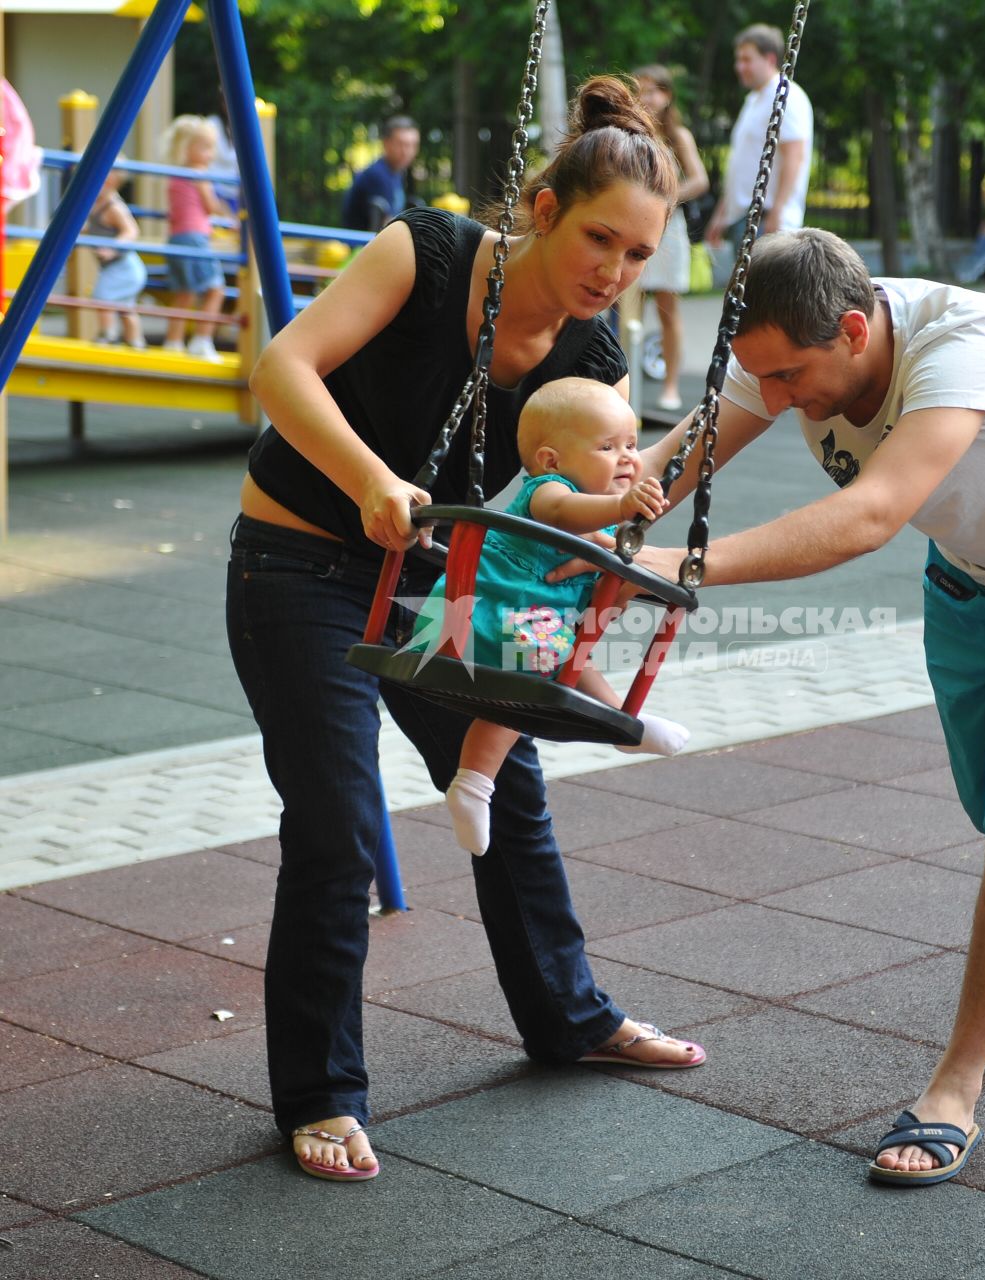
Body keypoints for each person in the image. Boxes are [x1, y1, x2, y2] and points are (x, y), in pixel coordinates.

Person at [229, 75, 707, 1185]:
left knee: (513, 781)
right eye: (600, 240)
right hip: (301, 558)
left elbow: (582, 504)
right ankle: (320, 1091)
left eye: (638, 257)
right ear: (543, 210)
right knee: (339, 817)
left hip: (434, 578)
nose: (614, 274)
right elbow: (281, 367)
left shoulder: (592, 362)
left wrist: (701, 455)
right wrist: (369, 478)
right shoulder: (428, 251)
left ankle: (568, 1015)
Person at [618, 227, 985, 1187]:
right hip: (969, 573)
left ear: (856, 331)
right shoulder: (786, 341)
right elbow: (676, 459)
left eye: (788, 380)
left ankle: (954, 1087)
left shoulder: (967, 342)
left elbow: (869, 516)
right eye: (762, 380)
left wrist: (675, 568)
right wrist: (589, 520)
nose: (774, 402)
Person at [409, 377, 690, 856]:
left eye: (632, 444)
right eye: (607, 447)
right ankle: (623, 725)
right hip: (480, 619)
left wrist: (625, 584)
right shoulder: (547, 492)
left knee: (532, 685)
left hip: (523, 629)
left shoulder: (597, 527)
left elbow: (602, 594)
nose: (627, 457)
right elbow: (564, 512)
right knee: (540, 676)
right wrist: (623, 507)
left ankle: (476, 784)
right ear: (550, 460)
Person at [633, 66, 710, 411]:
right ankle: (623, 378)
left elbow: (699, 180)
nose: (646, 99)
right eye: (640, 91)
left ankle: (670, 384)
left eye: (653, 91)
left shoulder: (677, 136)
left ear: (667, 95)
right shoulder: (628, 132)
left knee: (668, 309)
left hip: (668, 228)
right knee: (625, 308)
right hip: (632, 224)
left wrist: (665, 196)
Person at [704, 23, 813, 257]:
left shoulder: (786, 95)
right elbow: (741, 164)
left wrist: (778, 214)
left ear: (770, 59)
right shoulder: (754, 100)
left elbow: (795, 156)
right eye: (738, 60)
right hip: (744, 218)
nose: (739, 67)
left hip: (768, 218)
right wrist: (722, 214)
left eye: (747, 59)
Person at [161, 115, 228, 360]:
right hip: (195, 239)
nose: (211, 154)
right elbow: (210, 206)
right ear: (187, 149)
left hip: (176, 239)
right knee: (216, 290)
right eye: (206, 147)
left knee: (184, 293)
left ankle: (173, 342)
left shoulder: (175, 175)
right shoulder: (199, 173)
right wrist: (230, 217)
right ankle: (201, 340)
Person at [85, 161, 147, 350]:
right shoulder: (94, 203)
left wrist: (113, 248)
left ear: (114, 182)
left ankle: (108, 335)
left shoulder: (113, 207)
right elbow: (92, 228)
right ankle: (136, 342)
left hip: (124, 266)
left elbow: (131, 231)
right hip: (116, 267)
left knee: (102, 296)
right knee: (125, 307)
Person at [341, 116, 420, 233]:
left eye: (413, 145)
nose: (407, 151)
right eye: (401, 144)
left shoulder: (396, 172)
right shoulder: (377, 175)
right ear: (386, 144)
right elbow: (388, 225)